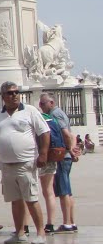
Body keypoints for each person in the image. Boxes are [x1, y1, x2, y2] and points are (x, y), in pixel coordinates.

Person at [0, 82, 50, 244]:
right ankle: (20, 232)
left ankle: (41, 232)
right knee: (15, 200)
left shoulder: (30, 111)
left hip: (26, 162)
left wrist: (43, 153)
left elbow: (44, 132)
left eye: (16, 92)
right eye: (9, 93)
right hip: (6, 164)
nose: (14, 95)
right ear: (3, 96)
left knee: (31, 198)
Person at [39, 93, 78, 233]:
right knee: (67, 190)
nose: (41, 107)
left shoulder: (54, 114)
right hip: (66, 154)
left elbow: (67, 134)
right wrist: (72, 149)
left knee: (63, 191)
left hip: (61, 155)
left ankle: (67, 223)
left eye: (43, 104)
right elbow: (72, 135)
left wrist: (69, 150)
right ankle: (71, 222)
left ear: (51, 102)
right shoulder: (61, 112)